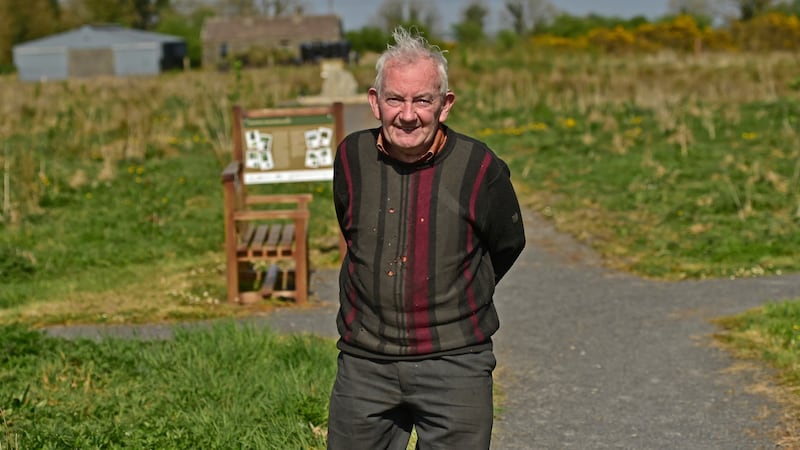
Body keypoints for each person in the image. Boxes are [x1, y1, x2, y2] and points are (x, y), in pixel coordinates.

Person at [327, 26, 526, 450]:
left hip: (455, 363)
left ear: (445, 105)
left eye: (423, 100)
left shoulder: (480, 168)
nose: (408, 113)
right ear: (374, 101)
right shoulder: (350, 158)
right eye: (395, 98)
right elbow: (351, 228)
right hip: (365, 364)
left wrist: (456, 294)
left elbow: (507, 244)